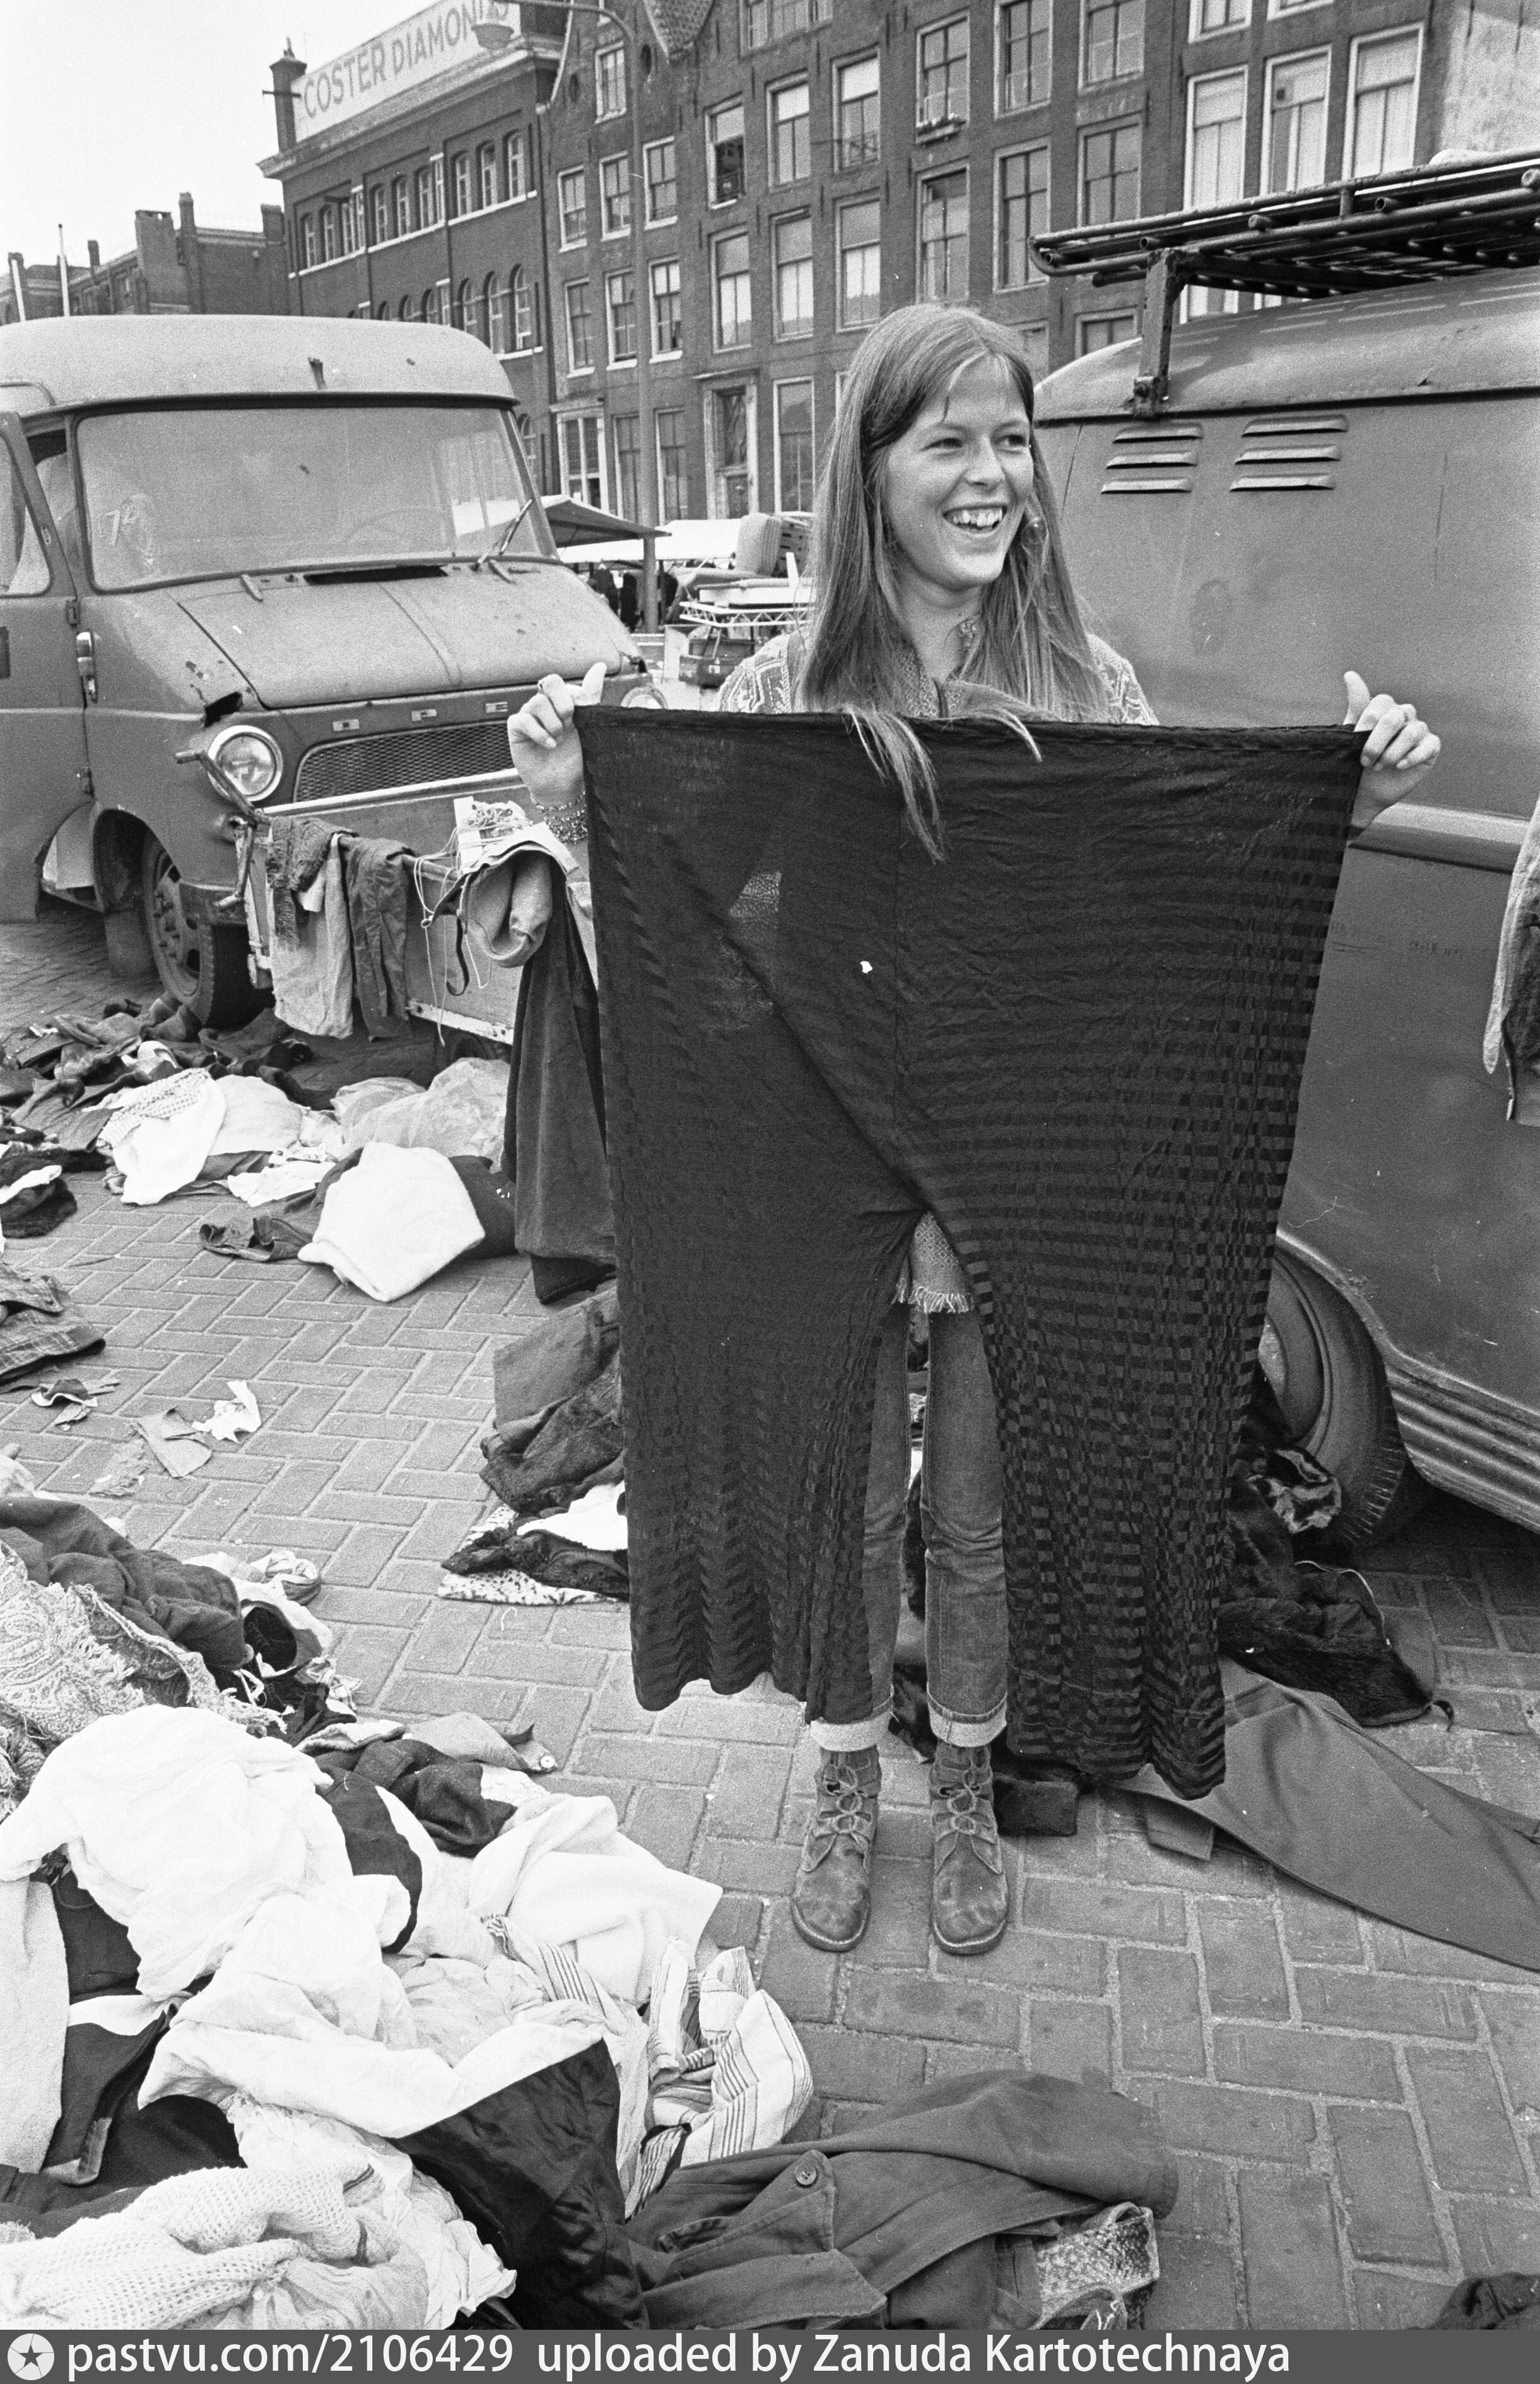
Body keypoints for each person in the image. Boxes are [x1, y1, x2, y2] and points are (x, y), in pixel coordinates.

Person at [508, 302, 1440, 1962]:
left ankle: (961, 1776)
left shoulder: (1084, 684)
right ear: (870, 472)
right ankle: (841, 1774)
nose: (992, 472)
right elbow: (695, 909)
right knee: (850, 1501)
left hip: (1023, 1161)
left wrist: (1335, 812)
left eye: (1012, 439)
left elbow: (1175, 901)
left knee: (982, 1518)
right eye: (948, 439)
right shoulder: (791, 685)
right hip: (831, 1153)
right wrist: (582, 806)